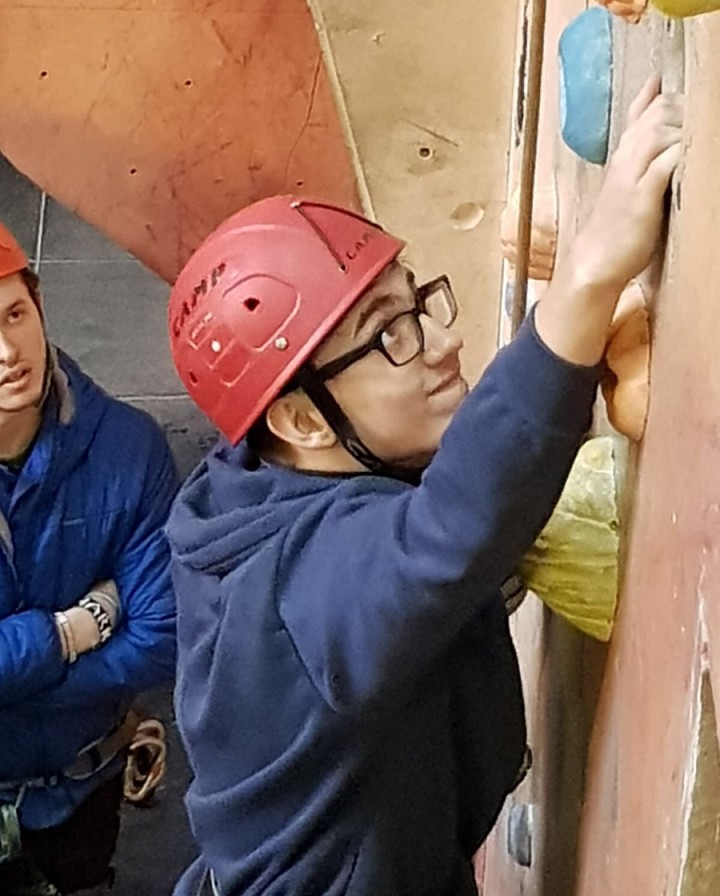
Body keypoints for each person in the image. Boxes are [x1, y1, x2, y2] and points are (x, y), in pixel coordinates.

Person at [167, 78, 682, 896]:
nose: (442, 341)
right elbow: (441, 535)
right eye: (389, 334)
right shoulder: (296, 590)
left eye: (418, 303)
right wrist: (587, 276)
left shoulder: (262, 485)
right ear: (300, 420)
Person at [0, 225, 178, 895]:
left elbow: (162, 637)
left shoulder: (128, 450)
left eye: (14, 315)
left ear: (39, 305)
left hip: (81, 787)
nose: (7, 352)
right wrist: (69, 632)